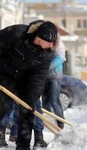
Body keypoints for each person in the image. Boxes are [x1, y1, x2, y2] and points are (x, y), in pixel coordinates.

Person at [0, 20, 58, 150]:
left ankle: (23, 146)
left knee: (28, 110)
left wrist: (32, 99)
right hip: (5, 71)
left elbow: (39, 77)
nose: (51, 45)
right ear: (40, 37)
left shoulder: (48, 52)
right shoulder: (17, 33)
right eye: (49, 42)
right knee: (2, 104)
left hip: (25, 77)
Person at [42, 39, 66, 129]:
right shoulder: (43, 41)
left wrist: (46, 67)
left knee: (54, 100)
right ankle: (47, 122)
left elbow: (60, 58)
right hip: (44, 76)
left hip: (55, 77)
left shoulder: (58, 43)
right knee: (45, 101)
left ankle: (60, 123)